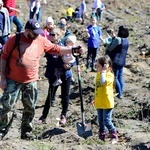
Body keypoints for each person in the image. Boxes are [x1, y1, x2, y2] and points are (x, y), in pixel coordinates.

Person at [0, 19, 83, 140]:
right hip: (13, 79)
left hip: (31, 80)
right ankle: (2, 131)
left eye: (39, 32)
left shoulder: (40, 40)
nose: (37, 35)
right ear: (27, 31)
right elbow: (4, 57)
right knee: (7, 106)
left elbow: (56, 49)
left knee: (30, 107)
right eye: (34, 32)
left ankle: (26, 132)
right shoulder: (15, 39)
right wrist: (2, 77)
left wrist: (72, 50)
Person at [39, 28, 76, 125]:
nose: (51, 36)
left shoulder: (65, 46)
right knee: (50, 95)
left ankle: (63, 115)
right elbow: (51, 61)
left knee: (65, 96)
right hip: (54, 74)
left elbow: (73, 58)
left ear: (59, 36)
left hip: (66, 74)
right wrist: (62, 65)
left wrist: (70, 65)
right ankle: (44, 116)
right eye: (50, 34)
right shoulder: (48, 47)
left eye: (54, 35)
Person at [94, 55, 118, 144]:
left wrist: (104, 71)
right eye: (96, 66)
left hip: (107, 102)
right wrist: (94, 98)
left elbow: (103, 82)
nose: (96, 68)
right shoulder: (98, 74)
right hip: (99, 101)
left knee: (106, 121)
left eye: (98, 66)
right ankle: (102, 136)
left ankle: (114, 134)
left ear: (105, 66)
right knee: (100, 121)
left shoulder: (109, 75)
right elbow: (97, 87)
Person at [102, 26, 129, 99]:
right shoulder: (126, 40)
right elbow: (118, 41)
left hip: (115, 61)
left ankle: (119, 94)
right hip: (122, 61)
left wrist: (106, 44)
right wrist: (113, 36)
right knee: (120, 76)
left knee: (114, 77)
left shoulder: (118, 39)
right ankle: (121, 91)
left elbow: (110, 48)